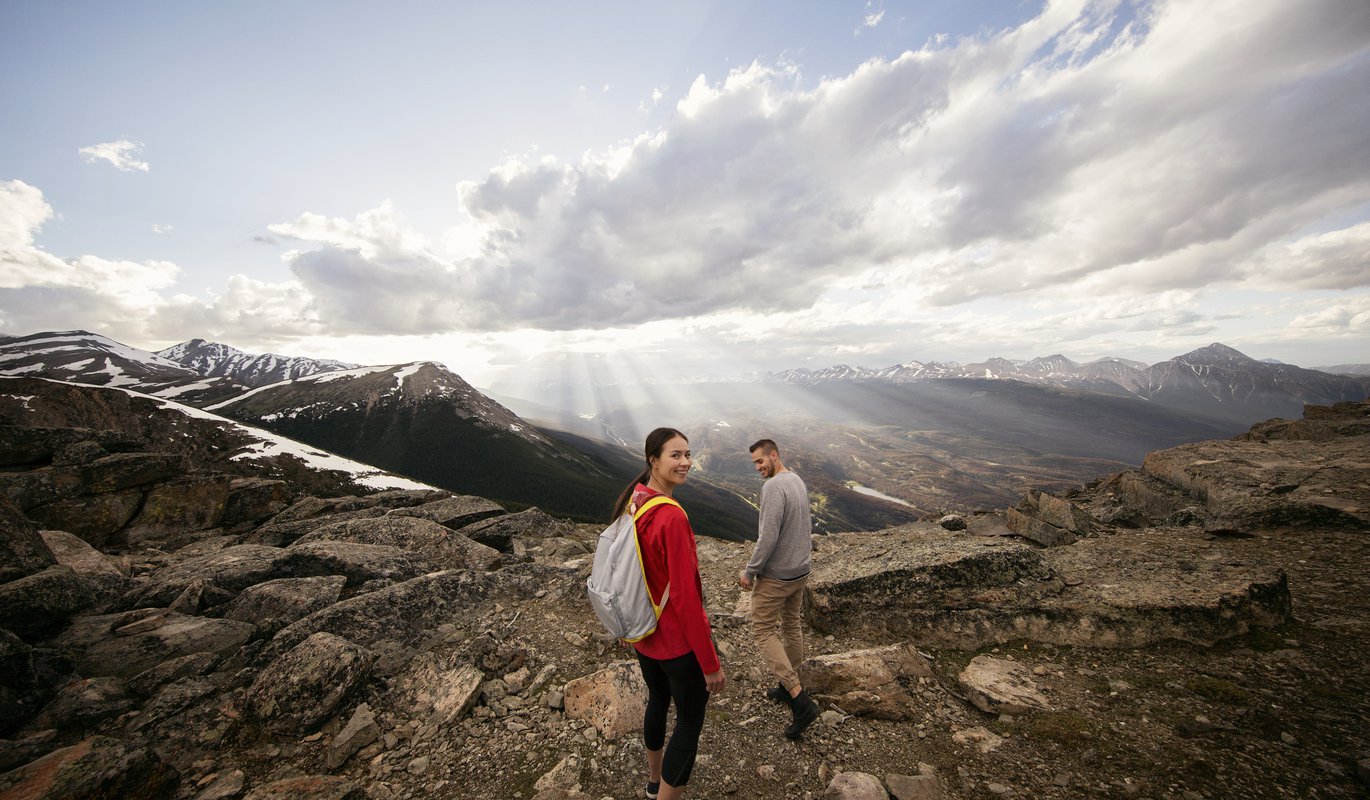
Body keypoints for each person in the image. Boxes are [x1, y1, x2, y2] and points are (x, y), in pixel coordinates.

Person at [612, 427, 726, 800]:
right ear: (653, 460)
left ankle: (653, 781)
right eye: (675, 455)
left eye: (688, 454)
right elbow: (686, 598)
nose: (685, 462)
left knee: (658, 701)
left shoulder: (636, 499)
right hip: (676, 643)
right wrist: (709, 662)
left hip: (644, 635)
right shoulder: (671, 517)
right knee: (690, 722)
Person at [737, 438, 821, 740]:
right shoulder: (795, 479)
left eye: (761, 461)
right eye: (755, 464)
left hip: (778, 575)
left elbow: (768, 536)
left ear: (774, 455)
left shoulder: (773, 487)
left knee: (762, 630)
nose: (759, 468)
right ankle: (789, 687)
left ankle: (799, 698)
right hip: (800, 570)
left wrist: (750, 571)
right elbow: (804, 527)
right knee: (791, 624)